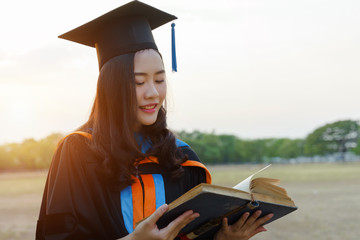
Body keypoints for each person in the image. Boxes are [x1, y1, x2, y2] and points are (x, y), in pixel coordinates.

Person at [36, 1, 273, 240]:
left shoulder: (181, 156)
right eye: (139, 82)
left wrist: (222, 239)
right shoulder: (79, 151)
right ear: (111, 88)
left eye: (159, 80)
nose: (152, 93)